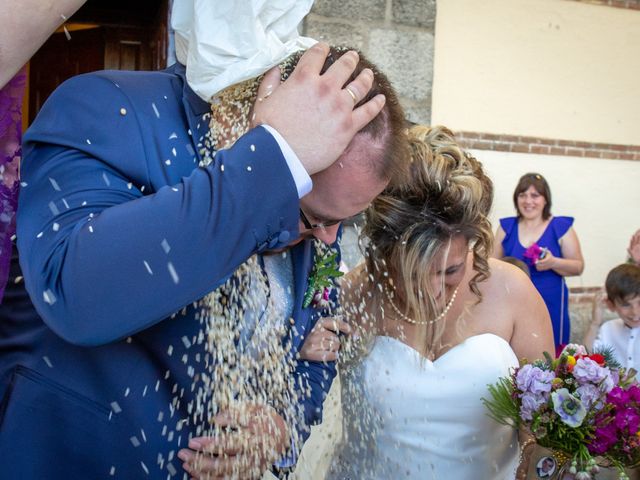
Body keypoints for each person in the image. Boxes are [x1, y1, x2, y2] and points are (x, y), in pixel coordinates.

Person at [0, 6, 409, 479]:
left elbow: (317, 344)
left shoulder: (323, 215)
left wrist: (282, 428)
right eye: (309, 215)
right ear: (252, 115)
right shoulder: (105, 107)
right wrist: (271, 160)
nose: (327, 239)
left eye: (345, 221)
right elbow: (76, 294)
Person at [327, 126, 554, 479]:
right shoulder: (353, 294)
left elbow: (543, 428)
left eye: (450, 271)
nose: (432, 292)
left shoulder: (515, 293)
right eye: (411, 275)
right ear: (382, 255)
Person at [493, 172, 584, 351]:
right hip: (512, 303)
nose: (528, 201)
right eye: (523, 195)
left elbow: (578, 266)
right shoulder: (506, 227)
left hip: (551, 304)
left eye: (535, 195)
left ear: (545, 200)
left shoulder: (560, 227)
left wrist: (553, 263)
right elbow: (491, 264)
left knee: (550, 355)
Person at [584, 264, 640, 374]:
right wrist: (595, 323)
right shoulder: (608, 329)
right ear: (611, 305)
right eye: (626, 305)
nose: (635, 312)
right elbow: (587, 357)